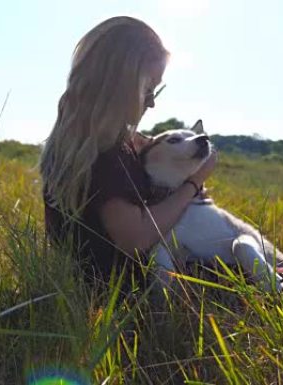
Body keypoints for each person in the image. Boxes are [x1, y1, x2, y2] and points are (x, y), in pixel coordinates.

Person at [39, 16, 217, 289]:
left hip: (91, 289)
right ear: (121, 83)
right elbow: (136, 238)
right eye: (148, 89)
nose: (152, 102)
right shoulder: (107, 154)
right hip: (125, 297)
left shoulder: (74, 143)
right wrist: (194, 183)